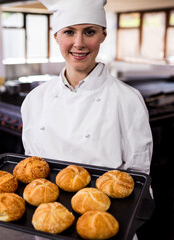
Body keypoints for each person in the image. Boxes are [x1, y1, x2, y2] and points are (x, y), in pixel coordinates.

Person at [21, 0, 153, 175]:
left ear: (103, 35)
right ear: (56, 37)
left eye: (89, 32)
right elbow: (31, 168)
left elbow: (138, 175)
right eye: (69, 32)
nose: (79, 43)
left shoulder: (127, 99)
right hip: (45, 200)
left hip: (106, 201)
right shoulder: (35, 99)